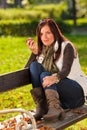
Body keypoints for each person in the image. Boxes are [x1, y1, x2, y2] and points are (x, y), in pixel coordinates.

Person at [25, 18, 86, 122]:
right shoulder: (42, 52)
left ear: (55, 32)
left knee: (45, 74)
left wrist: (55, 77)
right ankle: (42, 106)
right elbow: (28, 71)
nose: (44, 37)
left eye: (48, 32)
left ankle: (54, 108)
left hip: (75, 94)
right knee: (35, 66)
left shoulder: (66, 46)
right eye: (41, 34)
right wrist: (34, 53)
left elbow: (66, 70)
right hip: (59, 99)